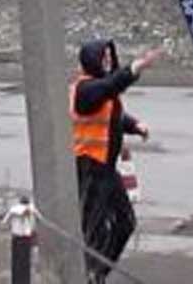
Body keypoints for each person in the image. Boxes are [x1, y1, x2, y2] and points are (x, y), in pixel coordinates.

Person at [70, 39, 161, 283]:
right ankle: (88, 274)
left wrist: (134, 126)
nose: (108, 62)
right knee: (94, 229)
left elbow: (113, 114)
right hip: (89, 167)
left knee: (125, 223)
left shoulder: (101, 90)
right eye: (104, 58)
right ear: (92, 60)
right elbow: (111, 86)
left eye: (110, 57)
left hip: (106, 170)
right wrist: (136, 67)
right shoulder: (85, 89)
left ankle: (97, 273)